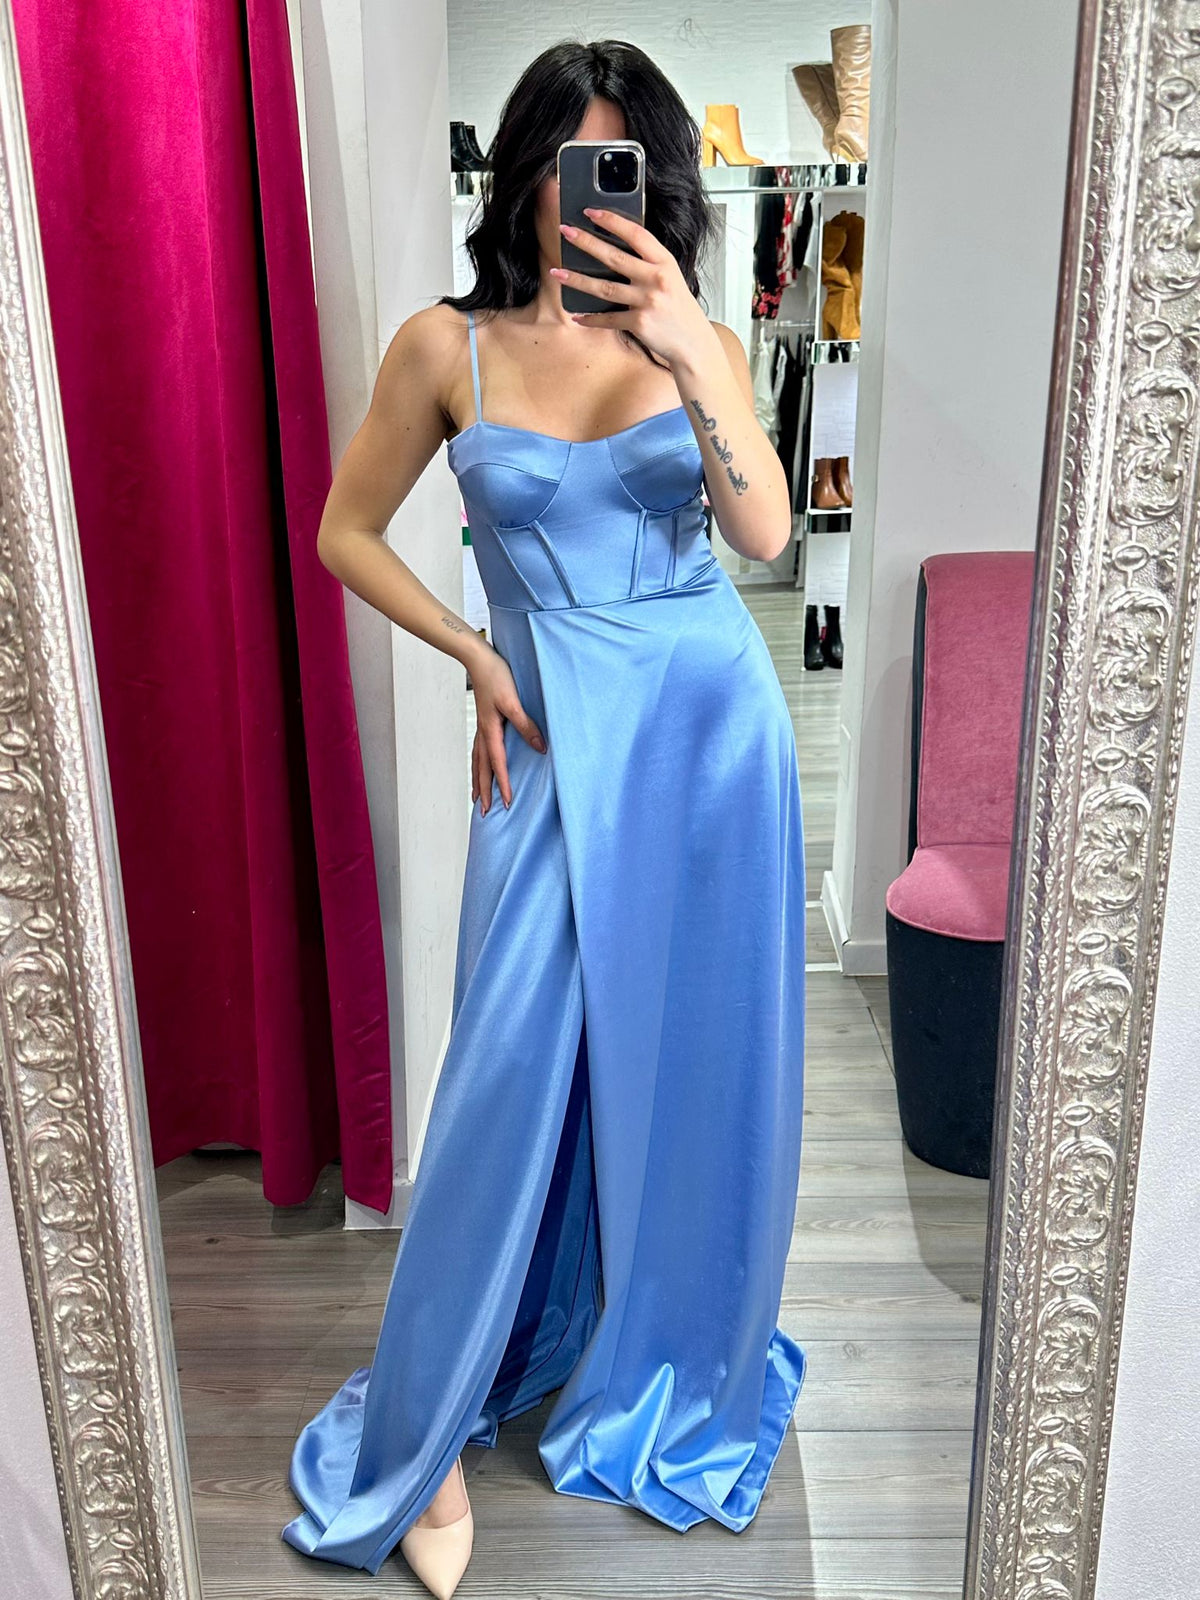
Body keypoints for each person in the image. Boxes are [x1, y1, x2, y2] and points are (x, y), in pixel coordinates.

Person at [281, 38, 807, 1598]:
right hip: (550, 738)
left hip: (708, 741)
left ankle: (663, 1351)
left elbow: (765, 533)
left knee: (698, 1065)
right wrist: (469, 652)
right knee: (508, 1069)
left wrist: (695, 349)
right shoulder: (444, 347)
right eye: (566, 171)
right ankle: (433, 1413)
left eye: (618, 175)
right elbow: (345, 531)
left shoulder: (692, 342)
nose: (587, 207)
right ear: (520, 180)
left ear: (658, 189)